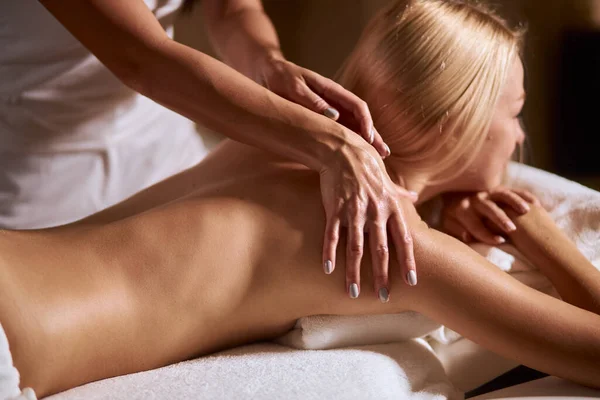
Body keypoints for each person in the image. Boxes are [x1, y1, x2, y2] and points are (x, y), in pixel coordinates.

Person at [2, 0, 600, 398]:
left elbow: (233, 7)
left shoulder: (262, 144)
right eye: (514, 114)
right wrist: (543, 236)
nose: (521, 138)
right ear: (454, 125)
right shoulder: (391, 239)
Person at [0, 0, 418, 289]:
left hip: (169, 156)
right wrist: (330, 146)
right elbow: (141, 58)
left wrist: (269, 65)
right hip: (39, 188)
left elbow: (234, 9)